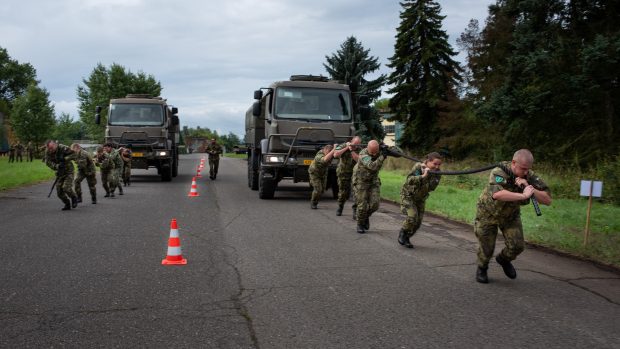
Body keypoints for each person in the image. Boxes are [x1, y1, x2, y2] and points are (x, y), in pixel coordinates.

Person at [474, 149, 552, 284]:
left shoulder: (529, 175)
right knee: (487, 248)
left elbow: (547, 199)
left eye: (528, 169)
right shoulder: (499, 171)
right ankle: (482, 267)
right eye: (523, 169)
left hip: (510, 215)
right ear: (514, 163)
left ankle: (503, 259)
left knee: (517, 246)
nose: (526, 172)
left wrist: (529, 187)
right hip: (488, 213)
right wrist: (524, 195)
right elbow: (498, 194)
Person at [398, 152, 443, 248]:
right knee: (412, 217)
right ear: (428, 161)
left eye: (439, 164)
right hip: (408, 196)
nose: (437, 166)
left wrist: (430, 175)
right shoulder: (418, 167)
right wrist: (423, 176)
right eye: (435, 164)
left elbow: (432, 187)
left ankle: (407, 237)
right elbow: (409, 180)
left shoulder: (437, 173)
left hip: (420, 199)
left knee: (418, 223)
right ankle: (403, 232)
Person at [352, 140, 386, 234]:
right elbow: (372, 166)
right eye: (372, 152)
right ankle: (360, 223)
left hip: (373, 181)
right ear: (368, 148)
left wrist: (387, 148)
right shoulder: (363, 154)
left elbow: (398, 153)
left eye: (376, 151)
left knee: (375, 204)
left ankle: (365, 216)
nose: (374, 154)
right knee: (362, 206)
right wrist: (383, 156)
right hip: (361, 181)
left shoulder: (378, 151)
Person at [44, 140, 78, 210]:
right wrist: (57, 166)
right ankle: (67, 203)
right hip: (60, 172)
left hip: (69, 171)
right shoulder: (47, 152)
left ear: (55, 145)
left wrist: (65, 159)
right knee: (59, 192)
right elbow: (47, 162)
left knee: (66, 188)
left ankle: (74, 197)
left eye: (51, 148)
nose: (50, 150)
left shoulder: (63, 148)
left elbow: (74, 154)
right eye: (49, 149)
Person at [333, 136, 361, 216]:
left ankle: (355, 210)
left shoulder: (359, 150)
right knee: (343, 192)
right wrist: (347, 148)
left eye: (357, 145)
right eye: (354, 144)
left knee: (357, 192)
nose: (355, 146)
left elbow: (359, 160)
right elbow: (335, 155)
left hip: (355, 174)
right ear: (351, 141)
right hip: (343, 173)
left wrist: (352, 150)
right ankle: (340, 206)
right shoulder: (343, 145)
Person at [308, 144, 337, 209]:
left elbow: (337, 155)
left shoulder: (329, 154)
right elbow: (325, 159)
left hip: (323, 174)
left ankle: (315, 200)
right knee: (318, 189)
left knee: (322, 190)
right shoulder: (319, 155)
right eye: (329, 152)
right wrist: (333, 149)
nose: (330, 154)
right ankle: (313, 203)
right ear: (325, 150)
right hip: (314, 174)